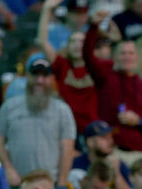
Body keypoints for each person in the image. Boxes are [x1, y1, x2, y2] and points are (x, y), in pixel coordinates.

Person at [83, 10, 142, 159]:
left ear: (137, 56)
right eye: (122, 53)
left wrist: (138, 120)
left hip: (138, 153)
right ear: (115, 56)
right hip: (109, 152)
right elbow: (88, 56)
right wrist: (94, 26)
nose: (127, 57)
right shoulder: (105, 77)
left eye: (131, 53)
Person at [0, 57, 76, 188]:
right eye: (35, 75)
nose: (39, 80)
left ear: (52, 79)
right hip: (18, 184)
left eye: (45, 75)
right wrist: (8, 168)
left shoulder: (62, 110)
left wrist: (62, 182)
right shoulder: (10, 106)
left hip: (51, 185)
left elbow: (67, 148)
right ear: (27, 77)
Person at [37, 0, 99, 135]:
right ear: (67, 46)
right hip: (66, 130)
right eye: (73, 41)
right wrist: (47, 10)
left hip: (93, 130)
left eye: (81, 42)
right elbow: (43, 42)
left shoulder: (96, 68)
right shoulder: (62, 65)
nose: (77, 45)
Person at [71, 120, 131, 189]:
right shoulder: (76, 164)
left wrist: (117, 173)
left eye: (110, 136)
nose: (111, 141)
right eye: (104, 137)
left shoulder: (119, 165)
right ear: (90, 142)